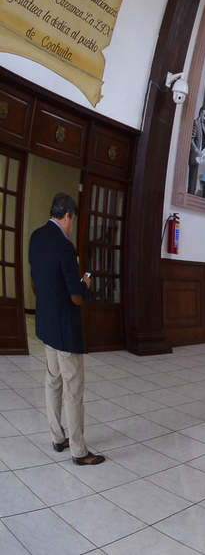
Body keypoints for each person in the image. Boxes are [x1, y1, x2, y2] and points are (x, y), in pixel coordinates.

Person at [31, 193, 105, 465]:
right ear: (67, 216)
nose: (72, 225)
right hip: (64, 328)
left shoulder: (36, 237)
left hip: (46, 323)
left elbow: (35, 281)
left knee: (52, 381)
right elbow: (75, 296)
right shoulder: (65, 247)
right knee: (73, 388)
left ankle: (57, 437)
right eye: (72, 220)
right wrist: (85, 283)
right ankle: (79, 451)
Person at [188, 107, 205, 194]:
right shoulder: (196, 123)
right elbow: (191, 139)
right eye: (204, 115)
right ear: (201, 113)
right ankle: (190, 193)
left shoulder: (202, 125)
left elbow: (203, 138)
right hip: (194, 154)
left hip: (199, 155)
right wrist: (196, 150)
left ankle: (191, 193)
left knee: (194, 177)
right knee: (192, 177)